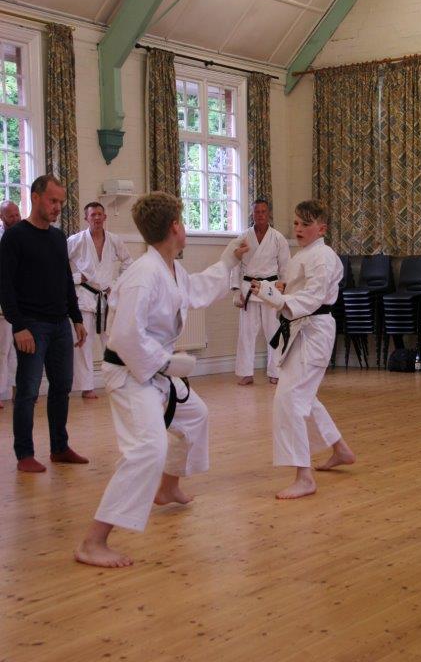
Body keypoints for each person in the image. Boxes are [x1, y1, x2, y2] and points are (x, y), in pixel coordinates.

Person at [75, 191, 248, 568]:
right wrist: (166, 363)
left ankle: (168, 488)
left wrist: (228, 259)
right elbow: (124, 336)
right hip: (130, 374)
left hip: (152, 371)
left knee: (195, 416)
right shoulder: (144, 276)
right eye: (182, 222)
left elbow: (197, 290)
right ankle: (93, 541)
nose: (184, 228)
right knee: (148, 449)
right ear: (174, 228)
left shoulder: (169, 269)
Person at [251, 199, 355, 500]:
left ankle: (304, 476)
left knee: (290, 398)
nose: (298, 229)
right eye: (296, 223)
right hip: (300, 329)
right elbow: (295, 290)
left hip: (314, 331)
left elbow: (313, 297)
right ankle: (340, 449)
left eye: (305, 224)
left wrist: (278, 298)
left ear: (321, 229)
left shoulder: (323, 256)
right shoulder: (304, 254)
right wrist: (276, 290)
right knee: (304, 396)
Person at [0, 174, 88, 473]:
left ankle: (59, 447)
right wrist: (18, 325)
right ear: (35, 197)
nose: (57, 207)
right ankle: (24, 453)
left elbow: (65, 280)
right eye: (52, 200)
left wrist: (76, 318)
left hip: (60, 324)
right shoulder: (14, 237)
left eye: (61, 202)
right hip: (31, 326)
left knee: (62, 387)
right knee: (27, 391)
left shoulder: (58, 237)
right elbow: (5, 286)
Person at [68, 201, 133, 399]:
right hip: (84, 297)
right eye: (92, 215)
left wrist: (117, 284)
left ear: (105, 217)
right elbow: (57, 266)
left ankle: (116, 382)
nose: (96, 218)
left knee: (112, 342)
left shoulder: (114, 240)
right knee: (83, 343)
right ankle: (86, 387)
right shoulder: (75, 240)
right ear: (86, 218)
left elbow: (128, 262)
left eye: (99, 214)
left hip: (106, 296)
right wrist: (77, 278)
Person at [231, 199, 290, 386]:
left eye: (264, 211)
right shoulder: (243, 237)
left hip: (270, 289)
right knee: (246, 333)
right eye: (257, 212)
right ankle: (246, 373)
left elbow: (285, 265)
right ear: (253, 213)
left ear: (269, 213)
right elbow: (235, 264)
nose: (260, 215)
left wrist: (283, 285)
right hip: (248, 288)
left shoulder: (278, 238)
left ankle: (275, 372)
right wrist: (236, 290)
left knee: (273, 332)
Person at [0, 201, 21, 407]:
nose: (15, 219)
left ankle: (19, 391)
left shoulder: (26, 235)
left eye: (17, 214)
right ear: (2, 217)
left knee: (20, 350)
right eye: (10, 216)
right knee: (2, 348)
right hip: (3, 301)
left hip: (23, 301)